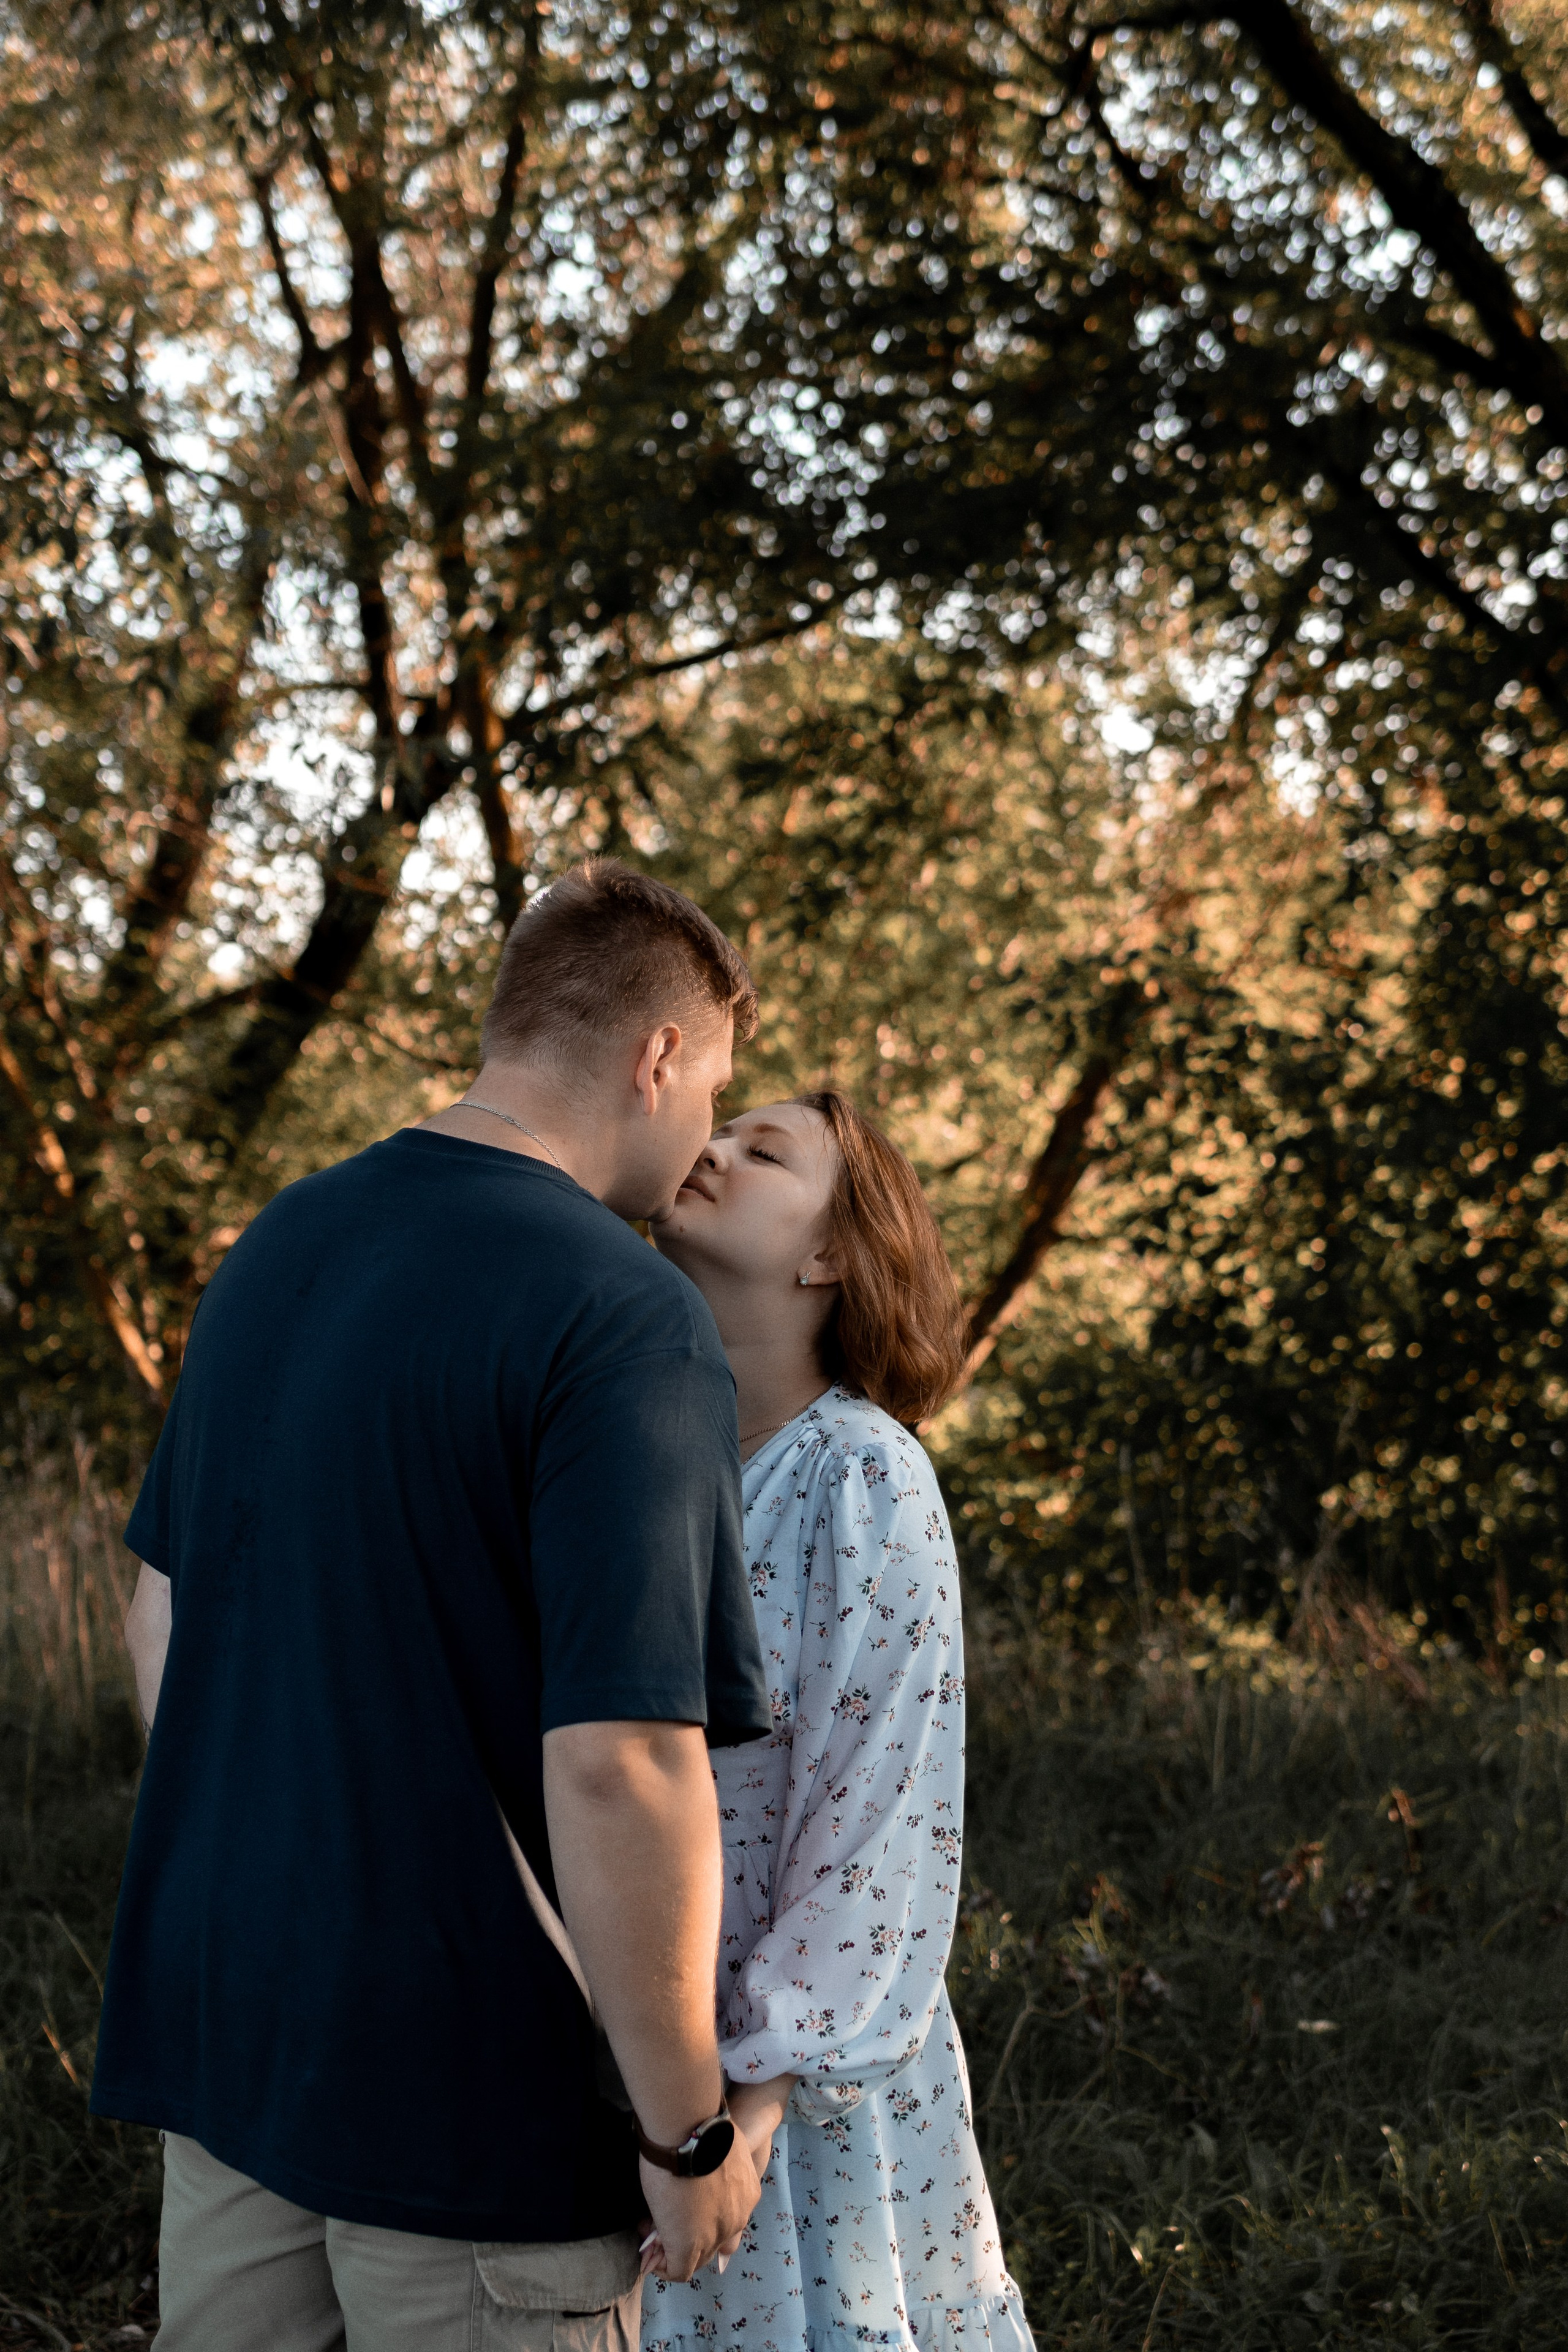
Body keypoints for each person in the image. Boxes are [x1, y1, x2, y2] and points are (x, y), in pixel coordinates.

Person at [92, 861, 774, 2352]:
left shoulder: (279, 1243)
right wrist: (686, 2131)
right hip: (476, 2114)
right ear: (659, 1056)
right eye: (716, 1090)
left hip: (236, 2037)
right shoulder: (622, 1313)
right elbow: (621, 1759)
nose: (706, 1134)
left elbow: (160, 1617)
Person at [643, 1090, 1035, 2352]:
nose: (709, 1147)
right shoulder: (633, 1444)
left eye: (761, 1151)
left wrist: (753, 2101)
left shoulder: (863, 1474)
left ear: (829, 1256)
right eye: (719, 1129)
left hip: (794, 2070)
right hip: (635, 2022)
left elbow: (882, 1809)